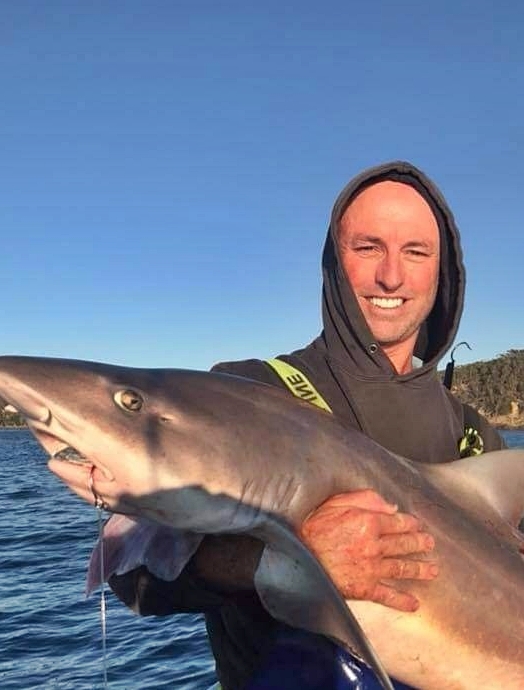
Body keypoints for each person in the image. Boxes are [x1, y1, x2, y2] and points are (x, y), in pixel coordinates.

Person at [109, 161, 505, 689]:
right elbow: (131, 574)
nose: (391, 275)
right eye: (368, 248)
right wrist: (281, 560)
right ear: (334, 263)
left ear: (443, 271)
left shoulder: (475, 439)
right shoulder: (250, 395)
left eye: (416, 251)